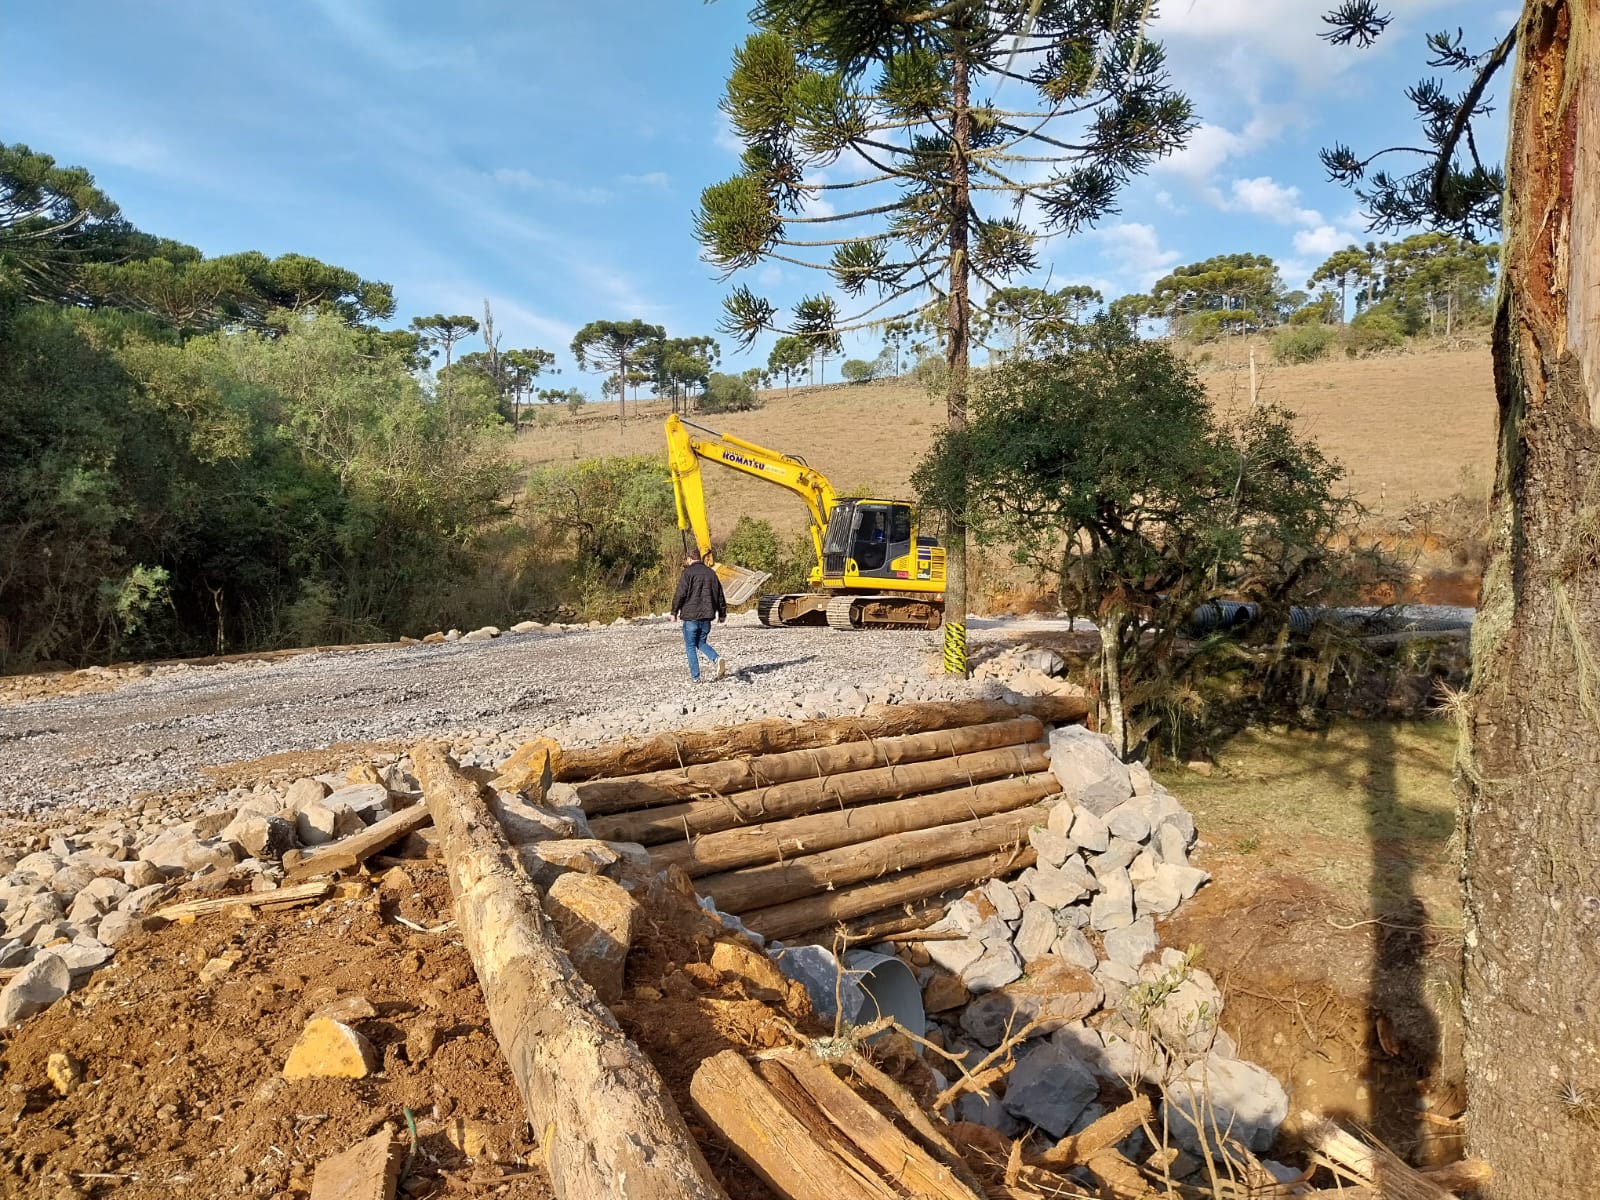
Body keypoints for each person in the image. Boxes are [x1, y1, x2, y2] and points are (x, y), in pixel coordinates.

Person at [671, 549, 727, 682]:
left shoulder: (687, 573)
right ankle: (716, 658)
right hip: (707, 616)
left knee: (690, 646)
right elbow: (719, 594)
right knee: (700, 642)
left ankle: (696, 678)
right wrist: (722, 613)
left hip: (691, 617)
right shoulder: (711, 573)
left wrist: (674, 612)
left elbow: (680, 594)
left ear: (690, 559)